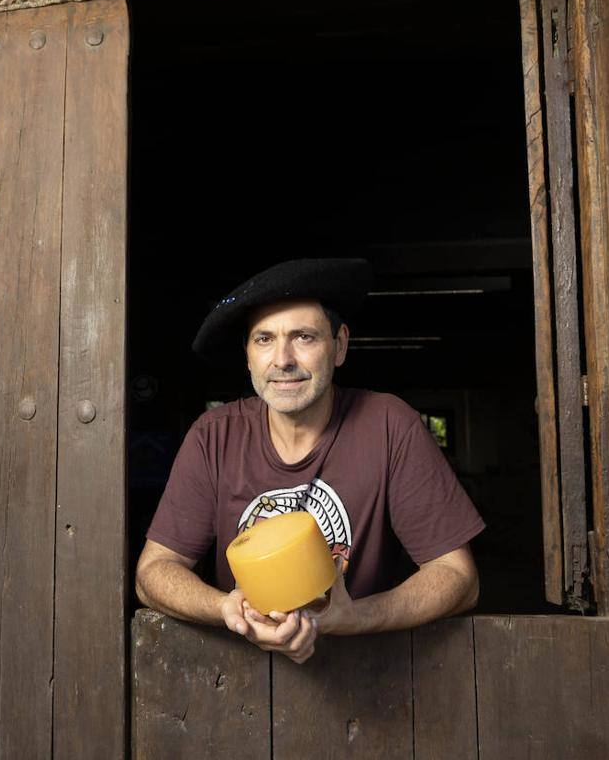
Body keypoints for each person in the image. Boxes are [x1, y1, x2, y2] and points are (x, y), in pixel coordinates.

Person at [135, 258, 484, 664]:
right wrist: (228, 610)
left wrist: (352, 617)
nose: (282, 359)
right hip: (236, 684)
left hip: (371, 677)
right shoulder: (213, 436)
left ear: (340, 346)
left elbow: (459, 577)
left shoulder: (390, 427)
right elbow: (153, 572)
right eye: (264, 339)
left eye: (303, 337)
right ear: (247, 356)